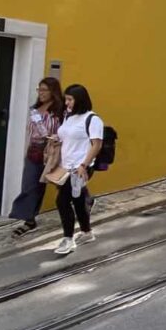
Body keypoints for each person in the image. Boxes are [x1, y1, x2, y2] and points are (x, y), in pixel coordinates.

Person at [9, 78, 65, 237]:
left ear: (53, 91)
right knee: (30, 185)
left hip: (52, 152)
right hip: (34, 152)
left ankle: (85, 200)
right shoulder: (35, 110)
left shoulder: (60, 111)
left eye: (44, 90)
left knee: (62, 184)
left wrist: (56, 138)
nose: (40, 93)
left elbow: (66, 131)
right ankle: (29, 220)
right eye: (39, 90)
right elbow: (31, 133)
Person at [52, 84, 104, 255]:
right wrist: (56, 139)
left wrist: (84, 165)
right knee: (79, 201)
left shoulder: (92, 119)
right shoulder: (70, 117)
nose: (66, 102)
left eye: (70, 99)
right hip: (66, 166)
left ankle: (68, 239)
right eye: (66, 99)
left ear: (79, 100)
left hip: (80, 168)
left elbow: (97, 144)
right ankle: (87, 232)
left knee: (62, 201)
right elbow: (67, 136)